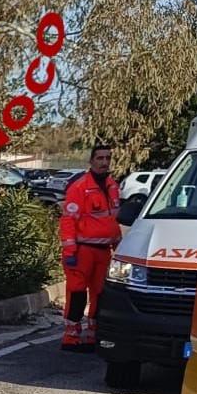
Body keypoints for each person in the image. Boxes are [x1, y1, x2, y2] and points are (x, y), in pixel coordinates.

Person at [59, 143, 122, 352]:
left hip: (103, 251)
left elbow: (112, 221)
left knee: (100, 293)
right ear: (91, 161)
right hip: (82, 250)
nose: (104, 162)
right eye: (100, 158)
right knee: (77, 292)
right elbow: (68, 220)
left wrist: (118, 246)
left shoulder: (112, 186)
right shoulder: (79, 187)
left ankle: (92, 333)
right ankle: (71, 336)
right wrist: (70, 251)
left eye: (107, 158)